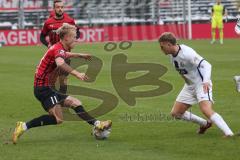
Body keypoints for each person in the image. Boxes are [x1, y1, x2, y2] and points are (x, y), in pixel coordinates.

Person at [12, 23, 112, 144]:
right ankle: (23, 126)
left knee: (75, 102)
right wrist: (77, 73)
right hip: (43, 88)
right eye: (74, 37)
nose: (76, 39)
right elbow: (60, 62)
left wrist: (80, 55)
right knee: (58, 119)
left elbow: (65, 54)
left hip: (50, 87)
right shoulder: (57, 49)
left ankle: (98, 124)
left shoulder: (59, 47)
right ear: (66, 38)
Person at [158, 32, 234, 137]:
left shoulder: (187, 53)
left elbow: (207, 65)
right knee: (176, 113)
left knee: (206, 109)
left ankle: (229, 133)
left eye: (162, 47)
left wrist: (206, 81)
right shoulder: (172, 55)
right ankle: (205, 124)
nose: (161, 49)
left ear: (168, 44)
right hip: (189, 86)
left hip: (201, 84)